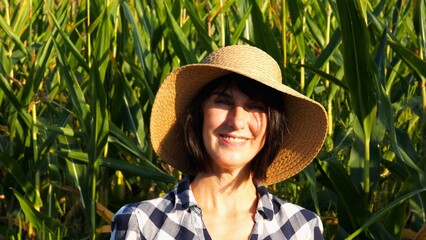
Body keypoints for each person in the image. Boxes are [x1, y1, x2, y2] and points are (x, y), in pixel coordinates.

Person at [110, 45, 328, 239]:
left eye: (255, 106)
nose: (237, 121)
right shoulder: (142, 224)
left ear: (273, 126)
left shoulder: (301, 229)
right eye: (223, 102)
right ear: (198, 114)